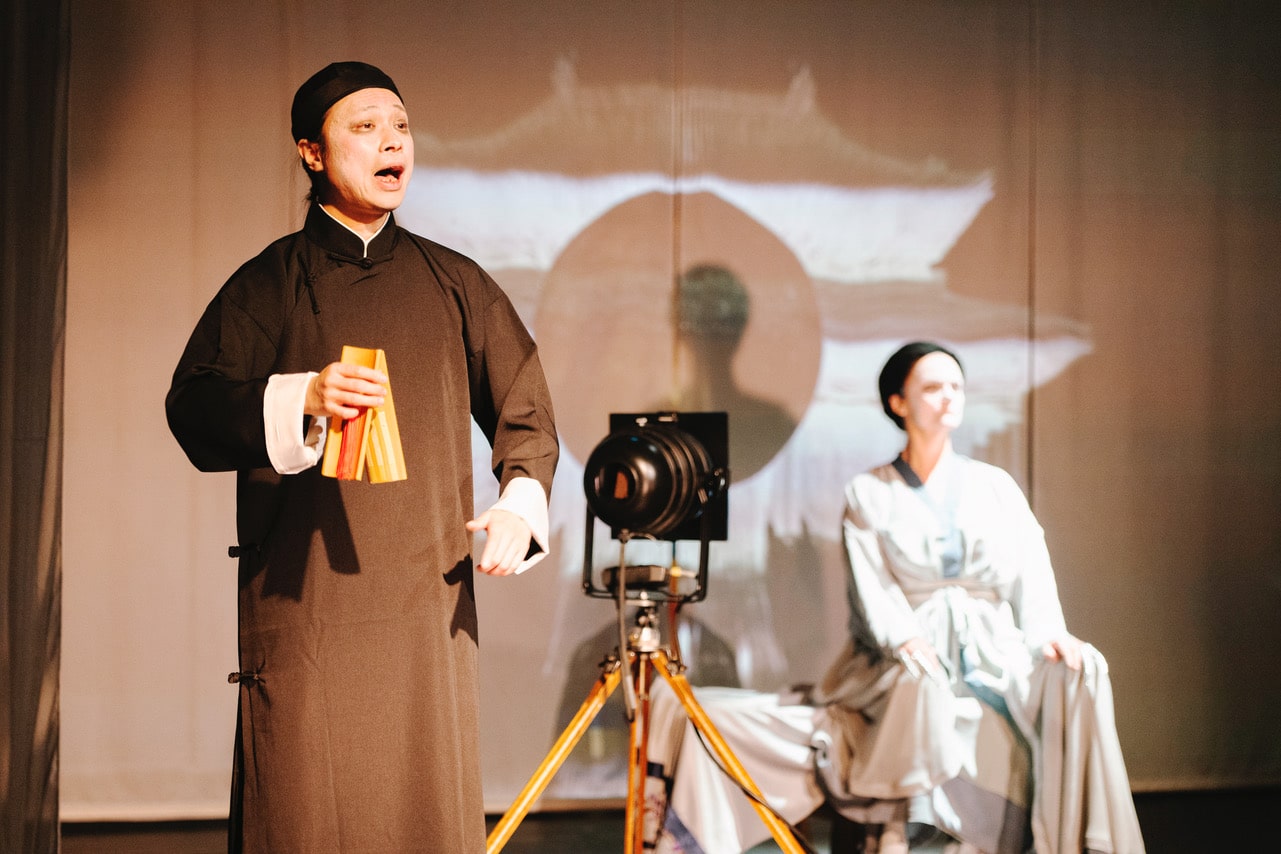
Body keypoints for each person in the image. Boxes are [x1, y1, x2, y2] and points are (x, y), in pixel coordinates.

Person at [165, 61, 558, 853]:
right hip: (307, 601)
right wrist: (299, 398)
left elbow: (525, 409)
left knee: (421, 799)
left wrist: (521, 500)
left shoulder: (455, 282)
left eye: (401, 127)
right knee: (308, 803)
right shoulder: (269, 283)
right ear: (312, 153)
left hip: (424, 599)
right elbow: (194, 406)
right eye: (365, 126)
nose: (392, 143)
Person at [645, 341, 1144, 854]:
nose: (949, 397)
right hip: (905, 660)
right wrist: (904, 637)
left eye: (957, 386)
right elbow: (873, 590)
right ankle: (899, 831)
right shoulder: (870, 492)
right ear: (898, 403)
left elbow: (1031, 574)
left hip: (993, 655)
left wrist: (1049, 635)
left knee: (1082, 670)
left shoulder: (995, 486)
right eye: (932, 387)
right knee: (921, 688)